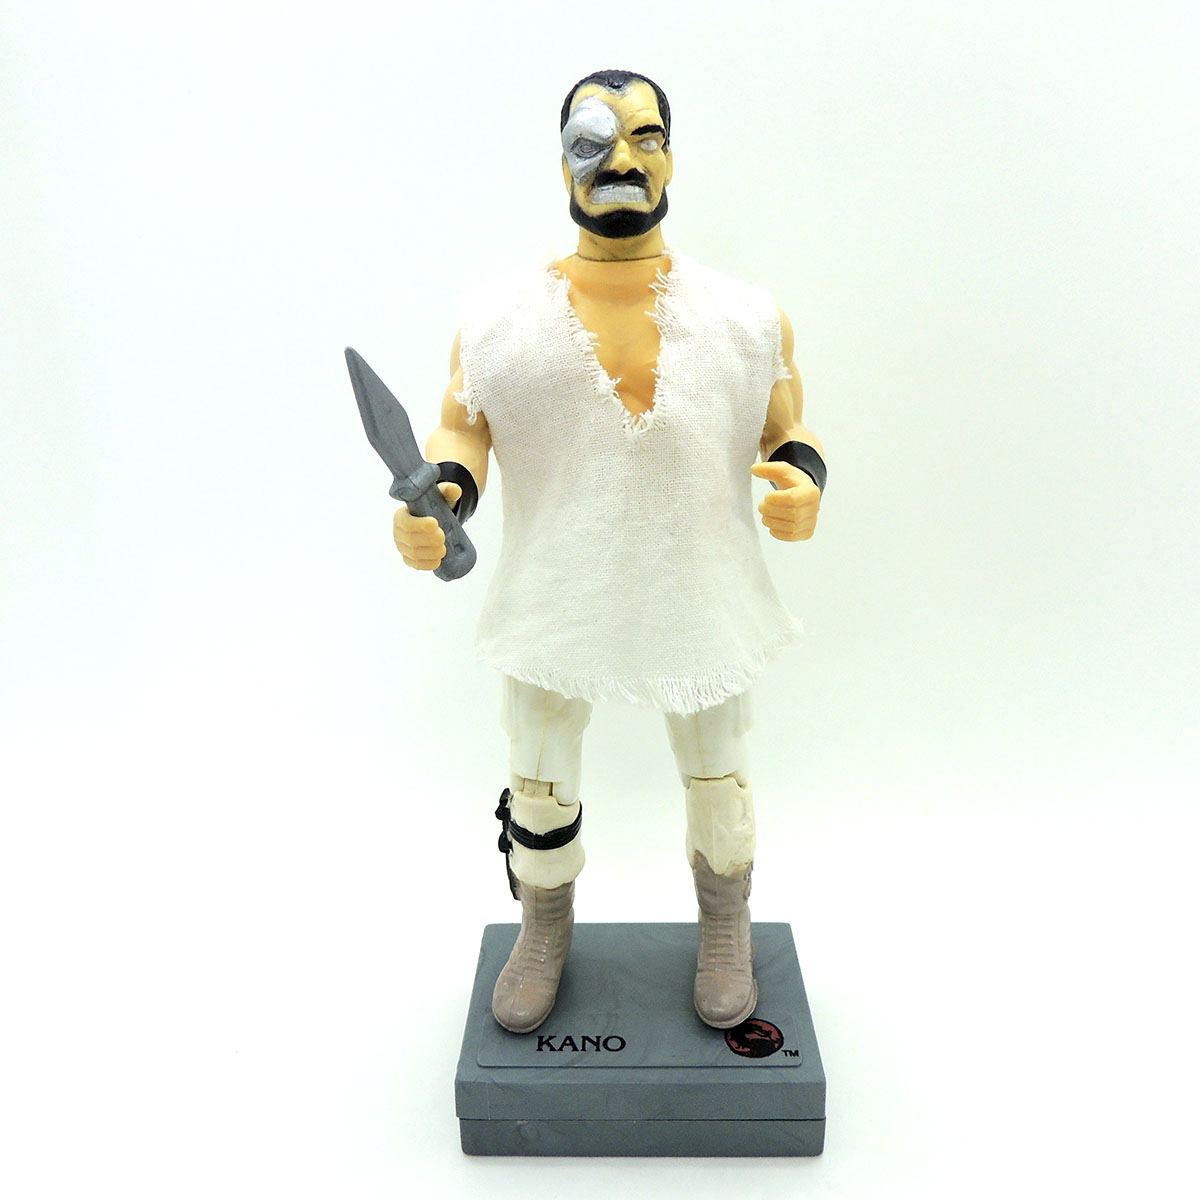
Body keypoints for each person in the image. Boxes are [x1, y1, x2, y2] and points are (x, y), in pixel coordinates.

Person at [392, 70, 825, 1034]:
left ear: (670, 155)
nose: (621, 159)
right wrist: (441, 501)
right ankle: (543, 927)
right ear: (562, 165)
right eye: (592, 141)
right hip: (558, 589)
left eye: (644, 136)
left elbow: (787, 427)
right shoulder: (497, 321)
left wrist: (803, 484)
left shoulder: (748, 318)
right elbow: (461, 434)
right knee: (539, 772)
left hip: (700, 585)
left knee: (718, 769)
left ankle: (725, 924)